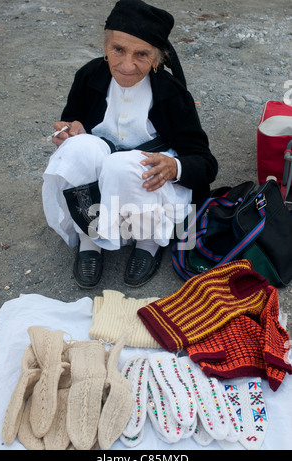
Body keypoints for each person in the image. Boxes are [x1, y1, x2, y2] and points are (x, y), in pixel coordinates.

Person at [42, 0, 218, 289]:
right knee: (78, 149)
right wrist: (68, 132)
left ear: (157, 59)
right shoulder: (89, 77)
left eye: (141, 54)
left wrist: (174, 166)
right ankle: (91, 239)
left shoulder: (171, 94)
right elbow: (71, 120)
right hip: (104, 174)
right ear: (105, 47)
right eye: (118, 50)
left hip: (146, 183)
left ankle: (148, 242)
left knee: (123, 165)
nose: (126, 65)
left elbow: (205, 163)